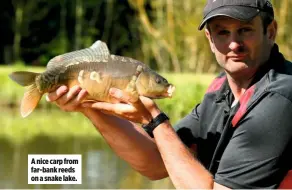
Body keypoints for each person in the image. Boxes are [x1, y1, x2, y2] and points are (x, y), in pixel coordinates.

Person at [46, 0, 292, 189]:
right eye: (222, 33)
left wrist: (155, 119)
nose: (233, 44)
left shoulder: (279, 98)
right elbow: (155, 163)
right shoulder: (223, 90)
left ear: (270, 32)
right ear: (209, 37)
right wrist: (90, 106)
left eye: (245, 30)